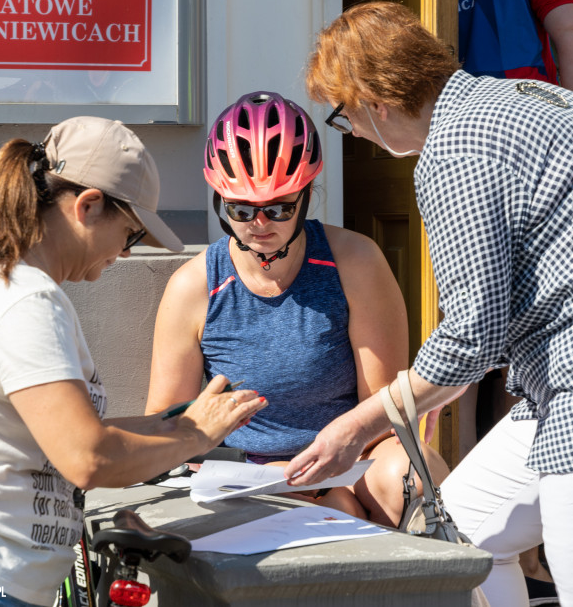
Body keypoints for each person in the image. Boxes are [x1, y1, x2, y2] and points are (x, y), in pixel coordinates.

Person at [288, 0, 573, 607]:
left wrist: (358, 425)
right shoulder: (533, 97)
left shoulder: (453, 149)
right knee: (459, 543)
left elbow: (471, 336)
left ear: (376, 103)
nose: (357, 136)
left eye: (344, 118)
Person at [0, 117, 266, 607]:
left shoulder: (2, 284)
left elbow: (53, 437)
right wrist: (192, 437)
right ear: (89, 205)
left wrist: (176, 425)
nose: (124, 253)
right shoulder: (22, 301)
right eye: (131, 234)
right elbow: (87, 457)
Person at [144, 91, 449, 527]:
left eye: (280, 207)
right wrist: (285, 480)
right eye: (242, 209)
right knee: (327, 514)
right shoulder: (194, 286)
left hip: (353, 454)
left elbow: (382, 413)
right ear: (220, 201)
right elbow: (167, 429)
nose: (260, 224)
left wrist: (329, 480)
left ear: (306, 196)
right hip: (251, 472)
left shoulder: (355, 261)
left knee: (411, 480)